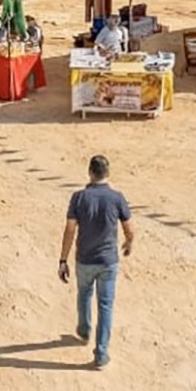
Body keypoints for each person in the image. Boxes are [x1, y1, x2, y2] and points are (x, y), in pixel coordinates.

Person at [59, 155, 134, 370]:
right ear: (107, 173)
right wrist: (129, 243)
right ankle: (101, 353)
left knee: (84, 294)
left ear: (90, 172)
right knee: (106, 305)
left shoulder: (79, 198)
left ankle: (84, 331)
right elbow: (129, 228)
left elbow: (70, 230)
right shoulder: (117, 198)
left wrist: (63, 259)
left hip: (85, 259)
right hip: (108, 261)